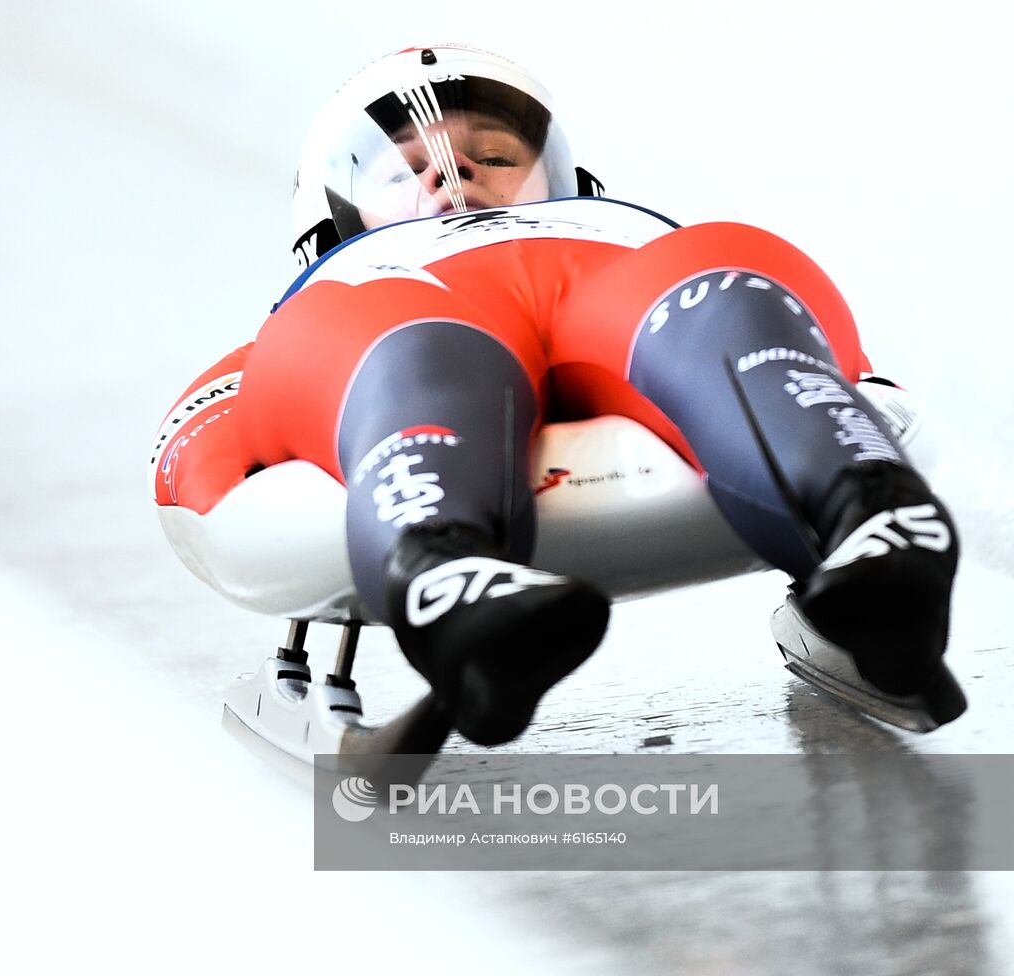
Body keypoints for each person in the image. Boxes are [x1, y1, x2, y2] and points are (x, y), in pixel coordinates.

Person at [150, 44, 963, 746]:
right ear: (330, 220)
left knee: (716, 270)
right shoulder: (331, 296)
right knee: (392, 338)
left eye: (496, 154)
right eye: (406, 168)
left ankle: (875, 522)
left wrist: (856, 393)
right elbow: (202, 445)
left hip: (617, 292)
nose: (456, 171)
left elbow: (838, 357)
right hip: (405, 311)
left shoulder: (623, 234)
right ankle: (453, 579)